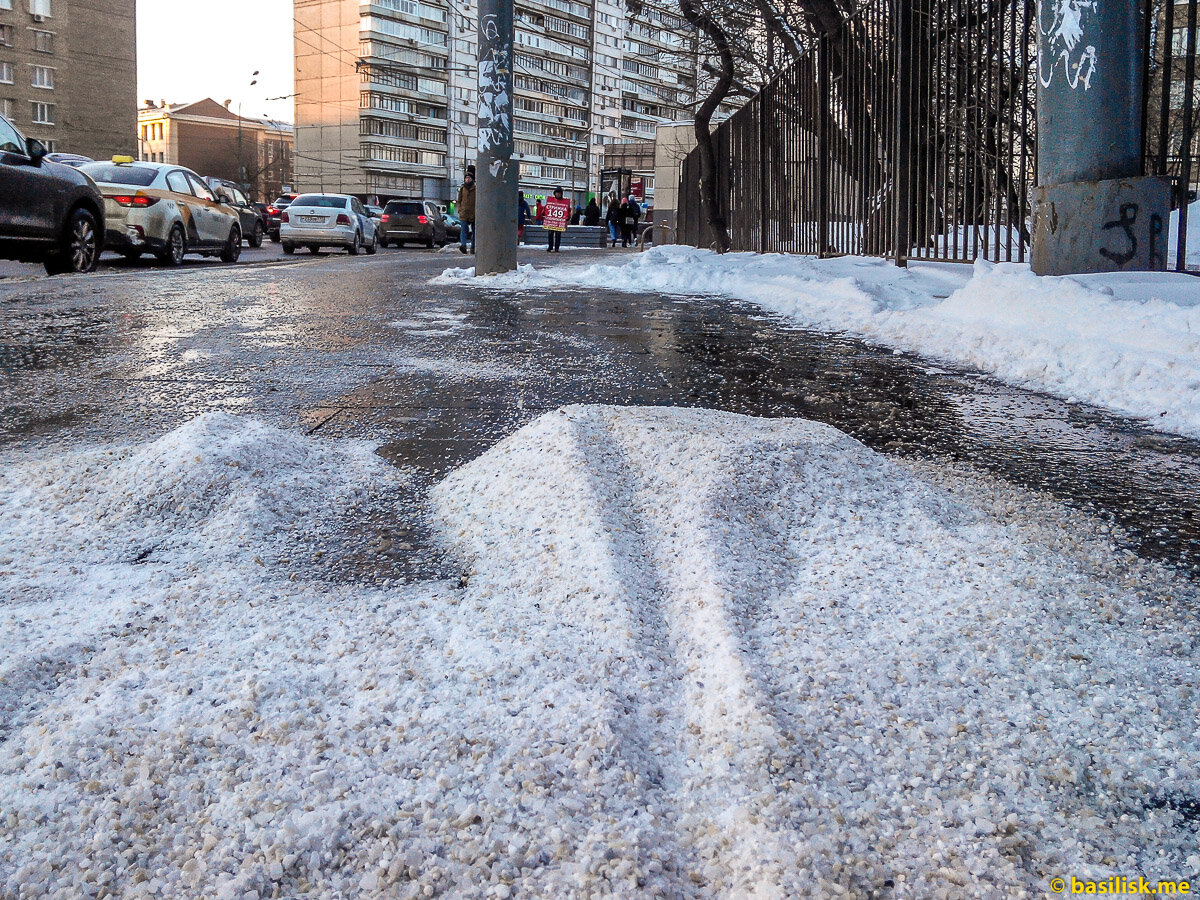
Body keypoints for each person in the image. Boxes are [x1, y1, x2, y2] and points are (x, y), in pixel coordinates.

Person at [457, 167, 476, 254]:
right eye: (466, 178)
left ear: (472, 179)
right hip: (464, 213)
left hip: (474, 213)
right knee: (463, 230)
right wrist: (460, 210)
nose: (467, 180)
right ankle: (463, 246)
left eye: (469, 178)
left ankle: (473, 247)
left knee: (474, 232)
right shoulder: (462, 188)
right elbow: (459, 200)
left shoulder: (476, 189)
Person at [546, 187, 565, 253]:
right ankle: (550, 247)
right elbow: (546, 209)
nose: (558, 194)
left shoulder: (564, 202)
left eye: (559, 193)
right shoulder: (551, 201)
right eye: (557, 193)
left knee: (558, 234)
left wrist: (567, 216)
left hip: (559, 222)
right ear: (555, 193)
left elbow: (567, 211)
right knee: (550, 234)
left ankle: (557, 248)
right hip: (551, 221)